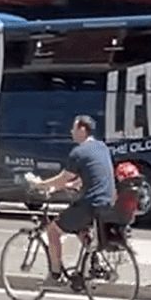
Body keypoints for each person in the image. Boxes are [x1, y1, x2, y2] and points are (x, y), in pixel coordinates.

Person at [26, 115, 117, 287]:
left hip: (90, 203)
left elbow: (63, 178)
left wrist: (41, 185)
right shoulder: (101, 147)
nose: (71, 131)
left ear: (82, 130)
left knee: (53, 231)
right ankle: (95, 264)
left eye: (74, 128)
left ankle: (55, 275)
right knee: (80, 228)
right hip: (106, 202)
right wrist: (70, 185)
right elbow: (91, 175)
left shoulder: (79, 152)